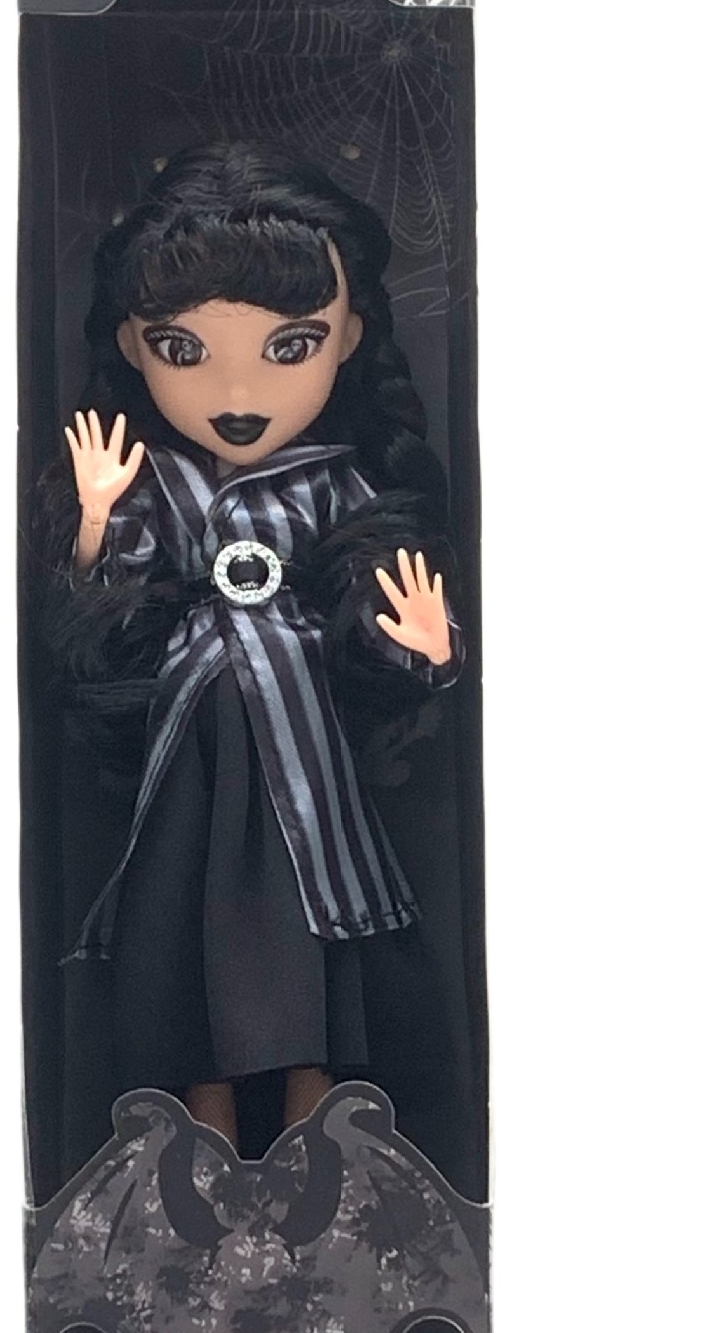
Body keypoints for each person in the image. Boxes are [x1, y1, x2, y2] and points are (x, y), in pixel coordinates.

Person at [40, 142, 463, 1152]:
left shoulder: (335, 480)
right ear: (134, 345)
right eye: (182, 348)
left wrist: (424, 647)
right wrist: (96, 515)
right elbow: (101, 613)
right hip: (191, 736)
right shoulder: (158, 481)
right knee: (182, 918)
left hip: (304, 744)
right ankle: (203, 1124)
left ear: (348, 336)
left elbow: (386, 603)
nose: (237, 389)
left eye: (290, 345)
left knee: (313, 912)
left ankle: (320, 1113)